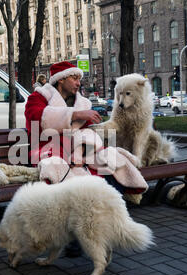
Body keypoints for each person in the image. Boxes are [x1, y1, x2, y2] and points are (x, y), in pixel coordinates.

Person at [24, 61, 147, 257]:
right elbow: (35, 120)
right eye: (74, 78)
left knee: (113, 164)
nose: (78, 83)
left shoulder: (82, 102)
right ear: (61, 79)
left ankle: (100, 226)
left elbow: (85, 131)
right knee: (72, 179)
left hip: (79, 151)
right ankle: (75, 237)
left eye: (79, 79)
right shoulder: (38, 98)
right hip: (49, 149)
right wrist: (76, 115)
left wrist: (85, 146)